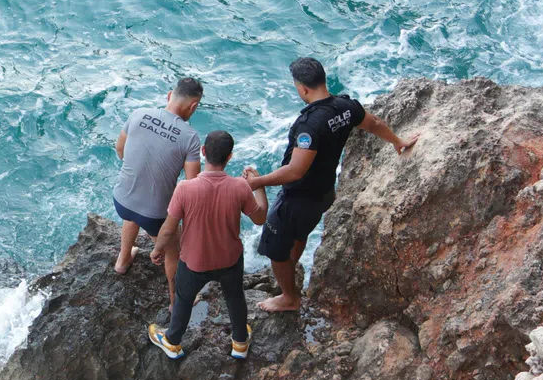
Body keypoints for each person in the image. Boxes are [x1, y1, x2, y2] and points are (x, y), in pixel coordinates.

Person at [247, 57, 418, 313]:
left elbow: (295, 171)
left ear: (303, 88)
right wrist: (397, 141)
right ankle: (293, 265)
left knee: (274, 247)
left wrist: (256, 182)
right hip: (325, 192)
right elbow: (375, 124)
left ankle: (289, 298)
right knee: (299, 233)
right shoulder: (345, 106)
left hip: (299, 198)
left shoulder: (309, 124)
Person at [146, 130, 268, 361]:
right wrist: (259, 186)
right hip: (229, 260)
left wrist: (157, 249)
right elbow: (260, 218)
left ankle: (173, 342)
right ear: (229, 157)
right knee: (235, 297)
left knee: (183, 299)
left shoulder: (185, 188)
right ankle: (240, 342)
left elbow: (169, 228)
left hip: (194, 261)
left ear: (203, 152)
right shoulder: (240, 187)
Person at [112, 77, 204, 305]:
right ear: (193, 106)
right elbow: (192, 184)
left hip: (121, 200)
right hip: (153, 215)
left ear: (169, 95)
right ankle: (176, 301)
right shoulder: (190, 137)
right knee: (175, 249)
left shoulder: (138, 113)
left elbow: (120, 150)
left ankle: (123, 262)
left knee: (133, 212)